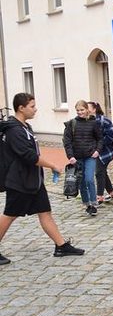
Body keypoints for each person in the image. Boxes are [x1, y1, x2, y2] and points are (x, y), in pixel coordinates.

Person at [0, 93, 85, 265]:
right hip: (19, 181)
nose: (35, 109)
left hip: (33, 180)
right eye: (32, 106)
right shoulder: (15, 130)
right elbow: (28, 155)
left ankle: (61, 246)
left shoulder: (25, 127)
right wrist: (52, 165)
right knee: (9, 215)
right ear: (21, 108)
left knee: (45, 211)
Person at [62, 99, 103, 216]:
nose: (80, 112)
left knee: (89, 179)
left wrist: (97, 151)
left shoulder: (93, 123)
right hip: (77, 157)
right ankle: (87, 204)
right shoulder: (71, 124)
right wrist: (70, 156)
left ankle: (94, 203)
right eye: (78, 110)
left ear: (87, 110)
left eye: (82, 110)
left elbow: (100, 138)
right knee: (82, 182)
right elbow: (67, 142)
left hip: (90, 155)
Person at [87, 102, 113, 205]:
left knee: (99, 172)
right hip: (94, 152)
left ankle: (99, 197)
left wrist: (99, 144)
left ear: (94, 109)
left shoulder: (105, 121)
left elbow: (111, 137)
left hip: (106, 152)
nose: (86, 110)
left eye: (88, 108)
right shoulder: (87, 121)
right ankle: (111, 192)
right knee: (102, 172)